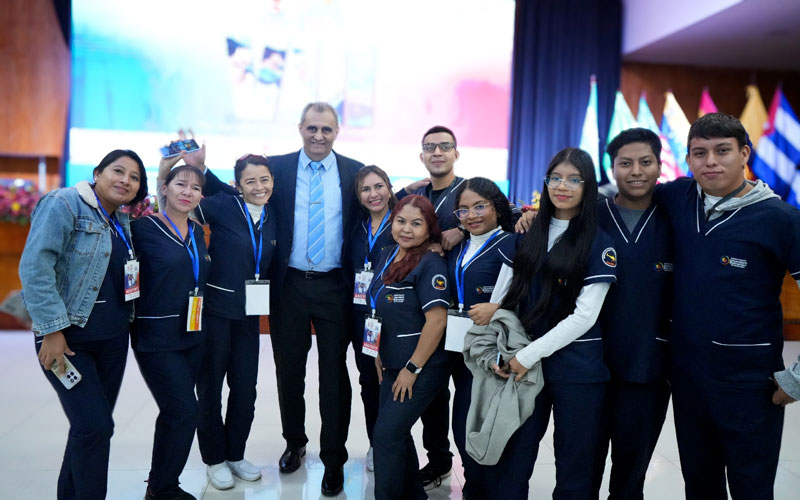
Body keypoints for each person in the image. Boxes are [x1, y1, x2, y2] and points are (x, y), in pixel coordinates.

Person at [654, 112, 800, 500]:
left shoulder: (781, 219)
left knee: (751, 487)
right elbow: (617, 195)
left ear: (744, 154)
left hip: (750, 386)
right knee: (699, 485)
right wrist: (533, 218)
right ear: (688, 160)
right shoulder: (679, 198)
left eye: (722, 151)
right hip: (687, 379)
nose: (710, 161)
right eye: (699, 153)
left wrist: (798, 378)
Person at [19, 150, 147, 500]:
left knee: (88, 430)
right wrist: (51, 330)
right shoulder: (64, 204)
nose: (125, 180)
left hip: (113, 339)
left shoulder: (120, 220)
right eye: (117, 171)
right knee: (96, 426)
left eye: (134, 177)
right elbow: (35, 268)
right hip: (68, 340)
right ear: (97, 172)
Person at [496, 147, 617, 499]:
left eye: (574, 179)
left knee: (574, 465)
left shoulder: (599, 243)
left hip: (577, 370)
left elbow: (584, 317)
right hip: (524, 365)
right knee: (514, 456)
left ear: (588, 185)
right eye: (556, 178)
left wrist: (527, 356)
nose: (563, 186)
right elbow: (501, 300)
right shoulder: (527, 234)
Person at [158, 152, 277, 489]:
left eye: (264, 179)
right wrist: (181, 170)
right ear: (237, 185)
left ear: (273, 182)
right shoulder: (223, 205)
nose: (258, 186)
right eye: (250, 181)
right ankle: (214, 458)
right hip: (215, 312)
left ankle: (235, 453)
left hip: (249, 317)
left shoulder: (274, 214)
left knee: (245, 388)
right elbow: (178, 209)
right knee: (210, 389)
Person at [267, 102, 363, 496]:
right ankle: (295, 441)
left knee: (333, 374)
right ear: (300, 128)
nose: (318, 136)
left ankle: (333, 458)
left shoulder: (356, 173)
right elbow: (237, 190)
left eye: (326, 129)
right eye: (312, 128)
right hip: (287, 284)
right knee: (288, 371)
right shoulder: (277, 168)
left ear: (337, 131)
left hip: (335, 286)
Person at [595, 128, 673, 499]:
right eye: (625, 163)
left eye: (646, 162)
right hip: (590, 362)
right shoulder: (591, 214)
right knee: (583, 460)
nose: (636, 171)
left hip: (649, 365)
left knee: (631, 465)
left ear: (660, 165)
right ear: (612, 168)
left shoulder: (678, 217)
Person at [131, 163, 210, 500]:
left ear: (200, 196)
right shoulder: (143, 228)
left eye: (194, 187)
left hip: (192, 333)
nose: (186, 192)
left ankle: (161, 484)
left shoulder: (197, 232)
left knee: (174, 413)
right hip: (156, 336)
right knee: (183, 410)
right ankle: (163, 488)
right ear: (164, 187)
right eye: (180, 184)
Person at [395, 125, 465, 488]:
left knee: (465, 397)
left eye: (444, 146)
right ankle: (438, 460)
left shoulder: (469, 191)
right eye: (429, 147)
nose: (437, 152)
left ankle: (475, 472)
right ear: (421, 155)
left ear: (456, 153)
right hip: (422, 310)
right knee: (434, 395)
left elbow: (506, 216)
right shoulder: (417, 193)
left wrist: (464, 230)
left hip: (466, 312)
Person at [369, 195, 451, 500]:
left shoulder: (431, 263)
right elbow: (379, 307)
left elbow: (437, 321)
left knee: (386, 436)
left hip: (420, 368)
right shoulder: (387, 254)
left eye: (417, 223)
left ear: (429, 229)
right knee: (397, 435)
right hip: (390, 363)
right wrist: (377, 351)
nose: (407, 229)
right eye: (401, 221)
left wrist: (412, 369)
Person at [446, 177, 517, 498]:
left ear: (497, 208)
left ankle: (484, 487)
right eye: (463, 210)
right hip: (458, 346)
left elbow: (523, 297)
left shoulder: (511, 244)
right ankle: (475, 484)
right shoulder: (459, 245)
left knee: (480, 422)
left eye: (479, 207)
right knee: (462, 423)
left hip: (491, 350)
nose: (472, 215)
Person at [347, 165, 397, 471]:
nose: (373, 194)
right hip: (363, 319)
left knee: (393, 383)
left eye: (379, 186)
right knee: (369, 382)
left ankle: (394, 444)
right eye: (365, 189)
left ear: (389, 188)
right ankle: (375, 444)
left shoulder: (403, 223)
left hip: (396, 318)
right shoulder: (357, 227)